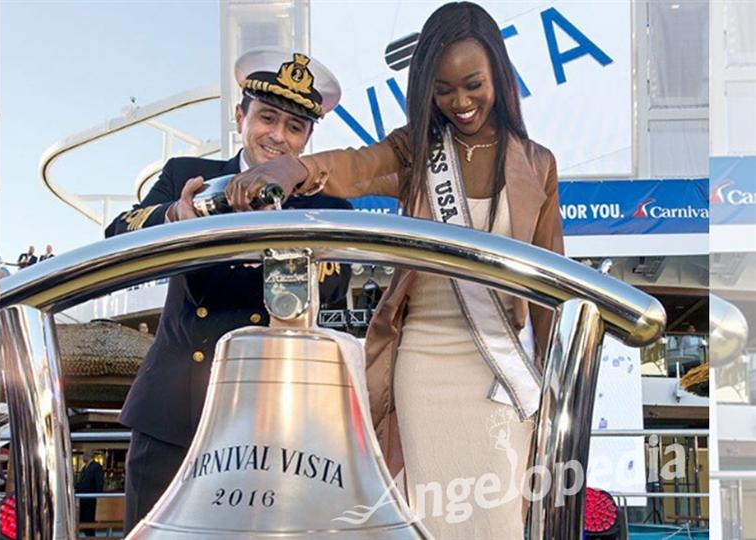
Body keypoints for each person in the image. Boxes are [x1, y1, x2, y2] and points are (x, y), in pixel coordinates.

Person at [229, 4, 563, 537]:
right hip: (423, 360)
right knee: (430, 511)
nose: (460, 102)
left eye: (473, 84)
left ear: (499, 74)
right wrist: (296, 167)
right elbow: (355, 167)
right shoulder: (415, 149)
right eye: (442, 88)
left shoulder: (538, 164)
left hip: (501, 372)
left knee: (499, 514)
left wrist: (557, 377)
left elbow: (550, 287)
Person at [105, 48, 352, 532]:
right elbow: (119, 233)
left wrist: (278, 234)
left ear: (307, 139)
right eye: (267, 117)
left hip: (270, 420)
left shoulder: (327, 205)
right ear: (240, 116)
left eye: (295, 127)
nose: (278, 136)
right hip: (174, 412)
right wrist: (180, 217)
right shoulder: (186, 176)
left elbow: (335, 284)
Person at [75, 451, 104, 536]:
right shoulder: (84, 468)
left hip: (90, 499)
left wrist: (97, 495)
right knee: (83, 520)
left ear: (88, 456)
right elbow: (81, 482)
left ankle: (90, 536)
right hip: (82, 499)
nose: (83, 457)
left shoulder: (96, 466)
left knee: (89, 520)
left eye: (84, 455)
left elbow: (99, 482)